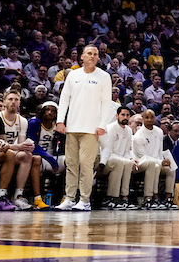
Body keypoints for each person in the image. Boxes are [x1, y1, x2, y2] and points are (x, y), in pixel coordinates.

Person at [54, 45, 116, 211]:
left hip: (91, 128)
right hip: (72, 127)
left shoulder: (104, 77)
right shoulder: (73, 74)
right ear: (81, 56)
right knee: (71, 164)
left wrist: (102, 125)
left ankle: (85, 200)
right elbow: (64, 99)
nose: (92, 56)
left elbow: (106, 103)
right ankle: (69, 199)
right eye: (89, 53)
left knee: (86, 165)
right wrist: (60, 121)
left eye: (95, 54)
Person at [0, 89, 35, 209]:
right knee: (10, 153)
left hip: (10, 153)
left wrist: (27, 147)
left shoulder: (22, 120)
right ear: (4, 102)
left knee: (27, 156)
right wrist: (17, 147)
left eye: (16, 100)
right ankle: (1, 196)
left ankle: (18, 196)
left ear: (19, 103)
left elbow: (21, 145)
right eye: (10, 99)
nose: (13, 102)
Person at [26, 101, 65, 209]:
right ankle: (37, 199)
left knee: (69, 160)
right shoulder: (34, 123)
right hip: (41, 157)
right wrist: (49, 158)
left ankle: (66, 198)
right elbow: (32, 145)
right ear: (42, 111)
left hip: (53, 157)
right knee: (36, 159)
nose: (49, 113)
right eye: (47, 110)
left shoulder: (58, 125)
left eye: (52, 111)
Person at [133, 109, 175, 209]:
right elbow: (144, 157)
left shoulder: (159, 131)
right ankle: (151, 198)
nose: (149, 120)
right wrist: (161, 162)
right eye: (147, 117)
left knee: (171, 167)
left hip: (157, 161)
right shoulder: (138, 136)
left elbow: (159, 151)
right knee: (154, 166)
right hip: (142, 162)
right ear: (142, 119)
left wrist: (165, 161)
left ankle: (168, 198)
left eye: (152, 117)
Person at [99, 106, 135, 210]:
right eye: (123, 115)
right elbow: (107, 150)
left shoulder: (128, 130)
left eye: (127, 115)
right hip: (108, 159)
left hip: (121, 159)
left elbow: (128, 150)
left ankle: (124, 198)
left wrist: (131, 159)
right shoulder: (110, 128)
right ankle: (112, 198)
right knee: (119, 162)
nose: (125, 117)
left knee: (128, 163)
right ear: (117, 116)